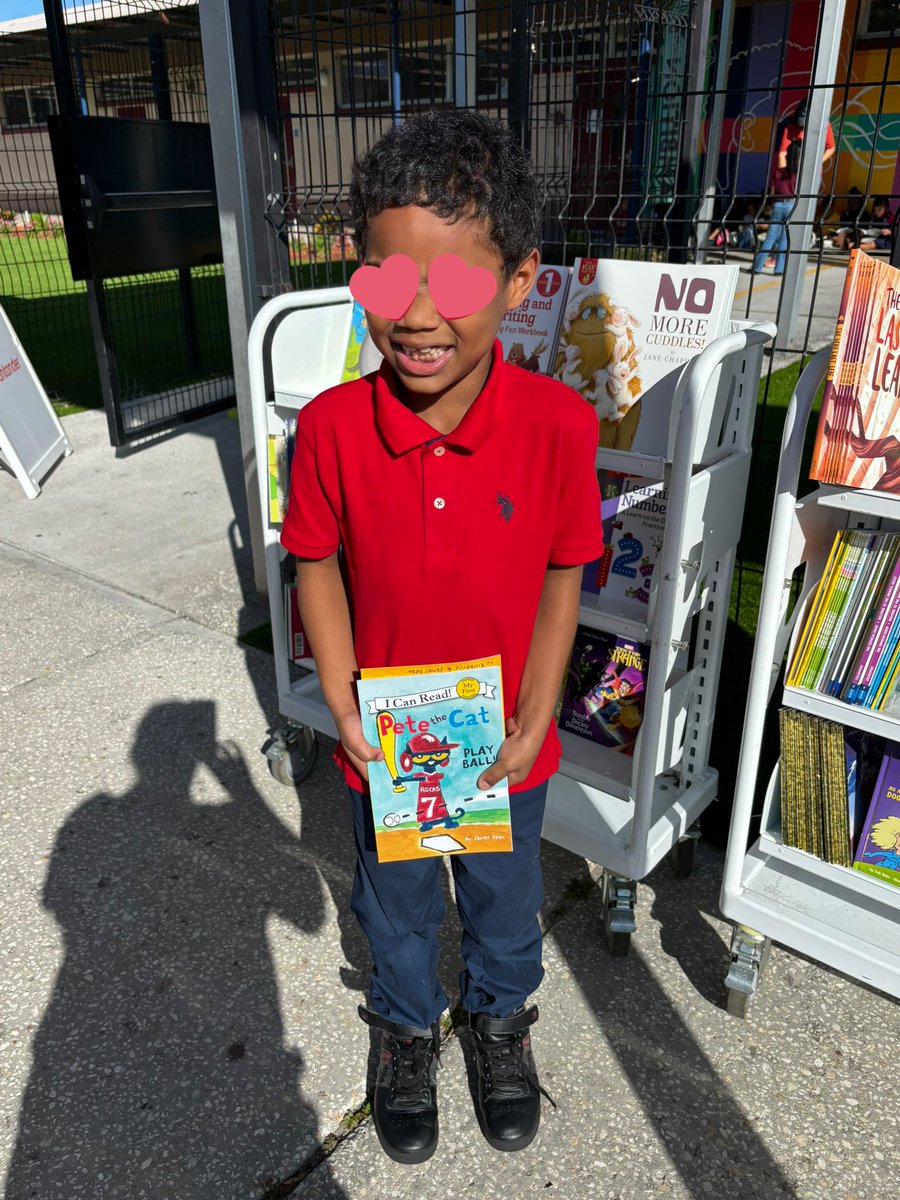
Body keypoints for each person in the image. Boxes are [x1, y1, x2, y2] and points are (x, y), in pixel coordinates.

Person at [280, 110, 602, 1165]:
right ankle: (406, 1026)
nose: (417, 315)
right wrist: (341, 699)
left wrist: (538, 712)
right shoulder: (331, 429)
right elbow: (314, 562)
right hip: (388, 747)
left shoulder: (558, 426)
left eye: (455, 283)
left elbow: (563, 572)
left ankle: (501, 1020)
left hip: (506, 746)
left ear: (520, 281)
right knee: (397, 906)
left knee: (506, 907)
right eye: (388, 279)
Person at [754, 97, 835, 275]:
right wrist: (791, 172)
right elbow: (782, 154)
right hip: (793, 183)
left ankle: (761, 265)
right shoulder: (791, 126)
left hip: (793, 186)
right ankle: (780, 266)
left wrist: (786, 175)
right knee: (787, 233)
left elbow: (830, 147)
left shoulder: (824, 124)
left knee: (775, 234)